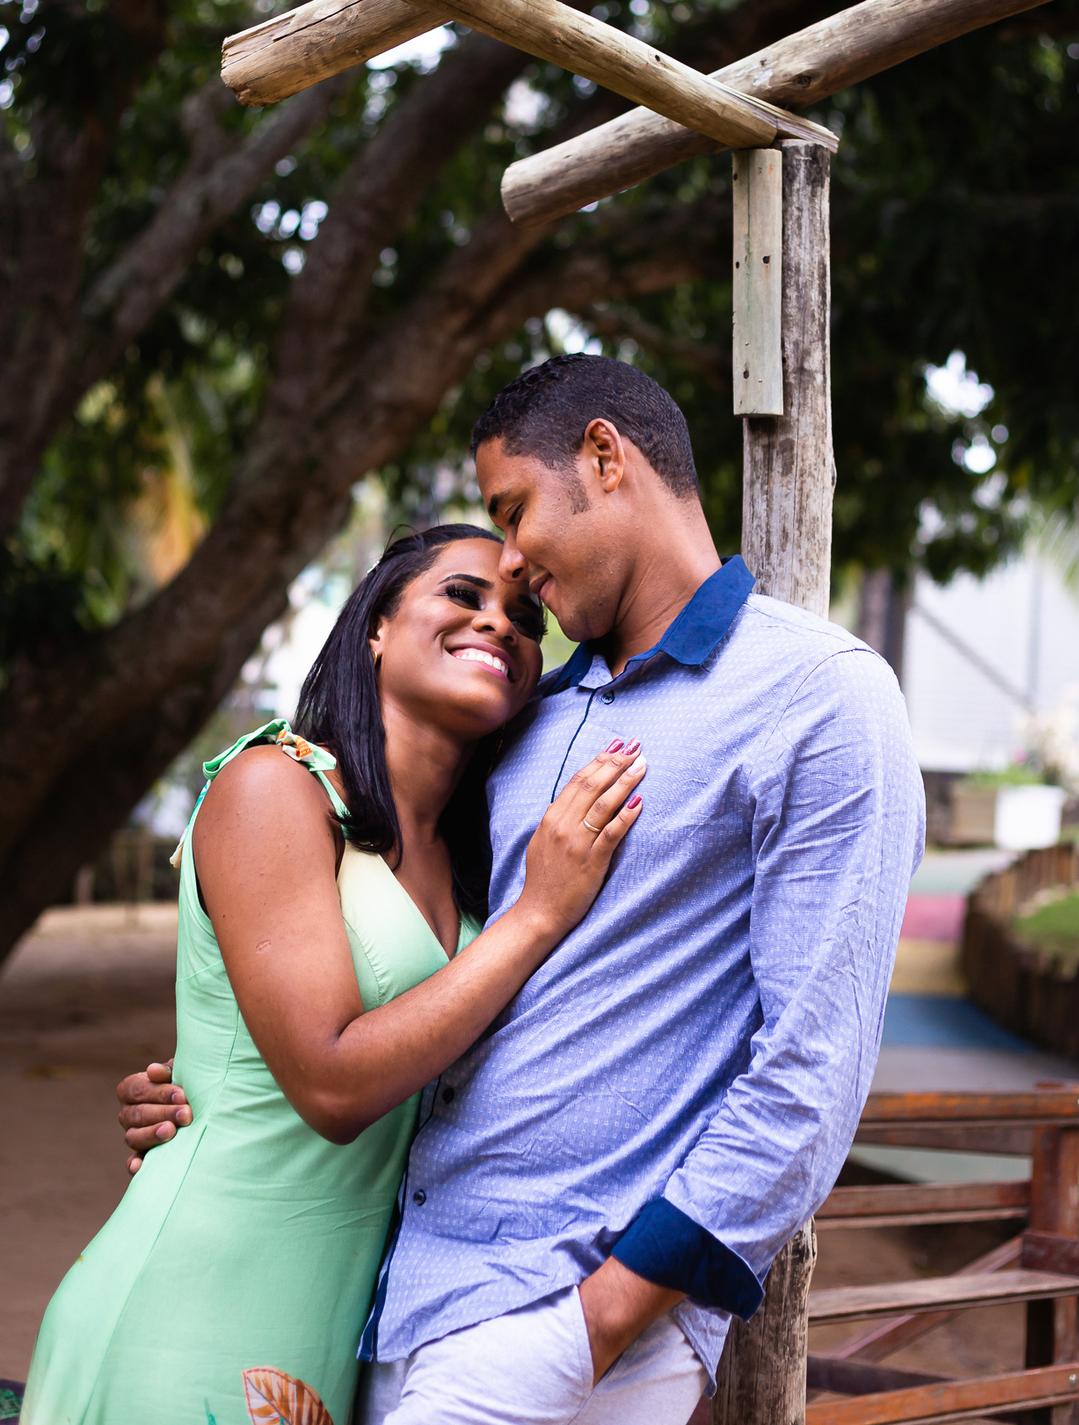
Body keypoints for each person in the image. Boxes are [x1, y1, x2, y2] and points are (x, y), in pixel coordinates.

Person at [118, 354, 926, 1425]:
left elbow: (813, 1069)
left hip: (566, 1307)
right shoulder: (524, 719)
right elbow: (400, 955)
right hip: (398, 1295)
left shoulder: (819, 698)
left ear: (605, 457)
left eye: (513, 510)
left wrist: (604, 1319)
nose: (508, 559)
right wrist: (217, 1086)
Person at [21, 523, 646, 1425]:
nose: (499, 624)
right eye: (463, 595)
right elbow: (332, 1083)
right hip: (189, 1310)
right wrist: (540, 917)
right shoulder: (276, 786)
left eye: (524, 618)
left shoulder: (478, 859)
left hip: (340, 1331)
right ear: (376, 628)